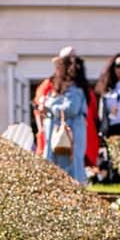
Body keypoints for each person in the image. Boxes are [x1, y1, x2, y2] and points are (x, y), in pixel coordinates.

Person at [36, 54, 89, 183]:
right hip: (59, 135)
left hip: (69, 134)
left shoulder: (74, 90)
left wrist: (48, 105)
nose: (56, 70)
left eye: (59, 67)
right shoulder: (60, 88)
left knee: (71, 164)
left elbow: (71, 108)